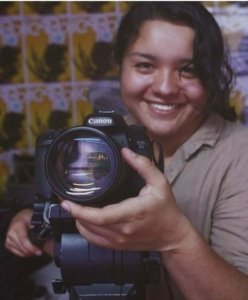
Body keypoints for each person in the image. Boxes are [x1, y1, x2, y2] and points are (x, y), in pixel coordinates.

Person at [5, 2, 248, 300]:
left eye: (188, 70)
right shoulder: (96, 140)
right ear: (120, 66)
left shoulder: (239, 155)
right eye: (145, 65)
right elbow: (80, 223)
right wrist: (36, 220)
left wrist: (174, 238)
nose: (165, 87)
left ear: (210, 76)